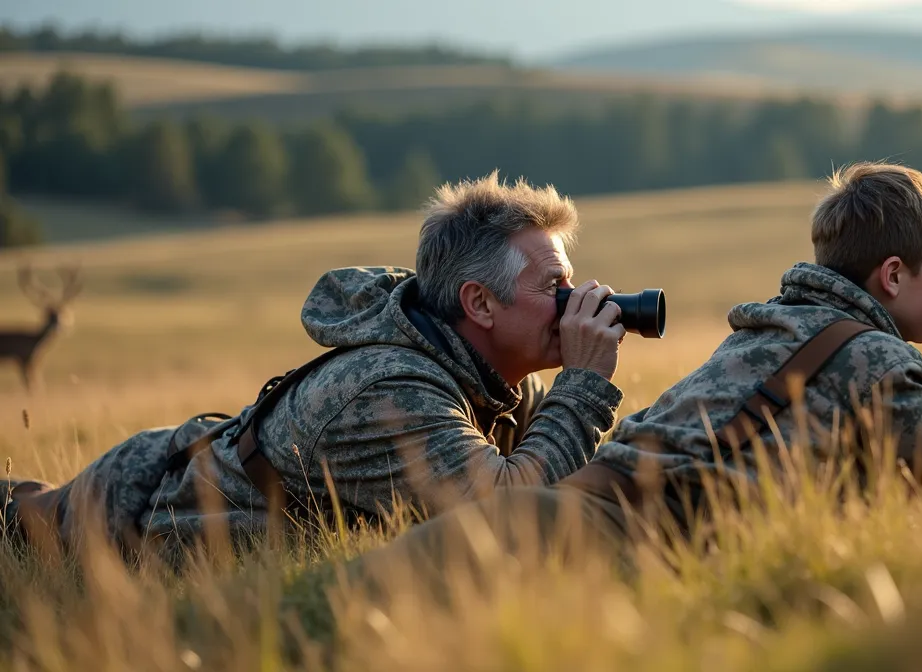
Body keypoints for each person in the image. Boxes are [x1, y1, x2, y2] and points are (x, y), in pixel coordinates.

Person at [354, 161, 922, 575]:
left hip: (556, 513)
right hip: (590, 543)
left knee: (328, 611)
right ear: (892, 275)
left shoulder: (769, 328)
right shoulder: (874, 361)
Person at [1, 172, 630, 560]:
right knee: (20, 522)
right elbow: (507, 512)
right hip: (134, 505)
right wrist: (583, 385)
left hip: (190, 467)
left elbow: (572, 477)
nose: (577, 299)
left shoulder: (498, 384)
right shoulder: (389, 391)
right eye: (554, 285)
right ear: (480, 303)